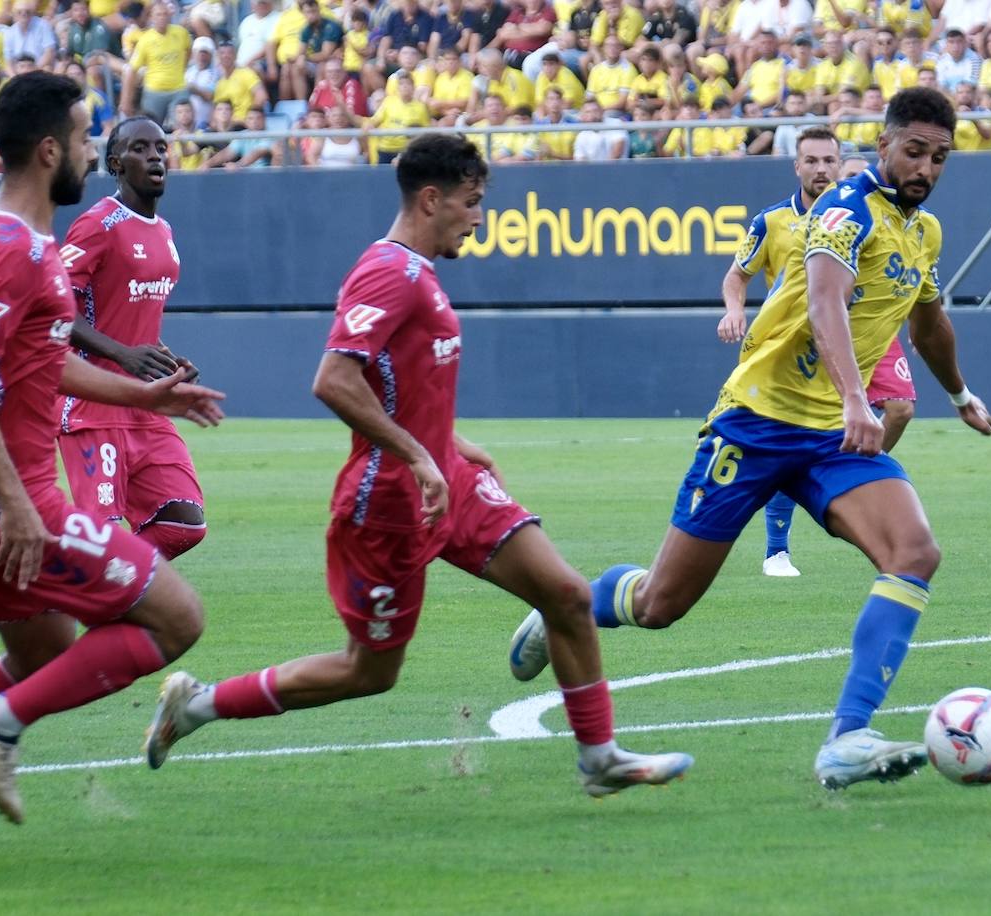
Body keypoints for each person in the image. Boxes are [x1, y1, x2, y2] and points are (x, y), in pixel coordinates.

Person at [141, 133, 693, 798]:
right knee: (369, 672)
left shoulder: (419, 274)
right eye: (472, 202)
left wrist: (450, 446)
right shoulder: (389, 272)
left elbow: (399, 384)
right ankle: (197, 706)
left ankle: (599, 756)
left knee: (568, 595)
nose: (479, 216)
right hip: (388, 504)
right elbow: (334, 379)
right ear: (432, 200)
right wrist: (418, 455)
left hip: (446, 484)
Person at [509, 89, 991, 791]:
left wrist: (959, 394)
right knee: (659, 606)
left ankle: (847, 738)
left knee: (914, 551)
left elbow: (929, 325)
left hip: (829, 437)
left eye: (939, 157)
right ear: (882, 144)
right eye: (914, 151)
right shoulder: (843, 211)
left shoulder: (925, 234)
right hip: (757, 422)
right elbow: (826, 301)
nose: (925, 167)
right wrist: (859, 396)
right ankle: (570, 604)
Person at [0, 72, 224, 860]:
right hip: (1, 494)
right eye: (85, 139)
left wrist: (147, 401)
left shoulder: (24, 239)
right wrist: (15, 503)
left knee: (39, 652)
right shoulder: (14, 248)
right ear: (51, 150)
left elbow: (43, 360)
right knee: (178, 619)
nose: (92, 152)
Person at [719, 126, 918, 578]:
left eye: (829, 160)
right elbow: (736, 275)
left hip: (867, 330)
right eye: (812, 161)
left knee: (902, 409)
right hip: (802, 346)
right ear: (797, 166)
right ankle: (777, 547)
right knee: (795, 436)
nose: (822, 169)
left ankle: (845, 483)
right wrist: (734, 311)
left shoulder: (861, 212)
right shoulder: (772, 222)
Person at [56, 116, 212, 562]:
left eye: (161, 148)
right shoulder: (98, 224)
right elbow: (55, 309)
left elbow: (130, 319)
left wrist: (163, 359)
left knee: (185, 524)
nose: (156, 157)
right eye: (141, 149)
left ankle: (95, 580)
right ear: (116, 164)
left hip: (144, 403)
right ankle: (96, 584)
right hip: (92, 404)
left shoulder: (164, 233)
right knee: (102, 536)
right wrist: (123, 355)